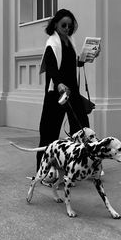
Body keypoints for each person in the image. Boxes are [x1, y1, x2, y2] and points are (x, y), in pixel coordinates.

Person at [36, 9, 96, 171]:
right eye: (64, 25)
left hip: (73, 91)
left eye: (70, 25)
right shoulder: (52, 43)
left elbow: (71, 64)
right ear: (55, 24)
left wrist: (87, 57)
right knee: (50, 130)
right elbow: (51, 67)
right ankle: (44, 168)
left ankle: (81, 165)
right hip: (57, 92)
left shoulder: (70, 41)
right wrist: (59, 83)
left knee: (82, 127)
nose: (67, 28)